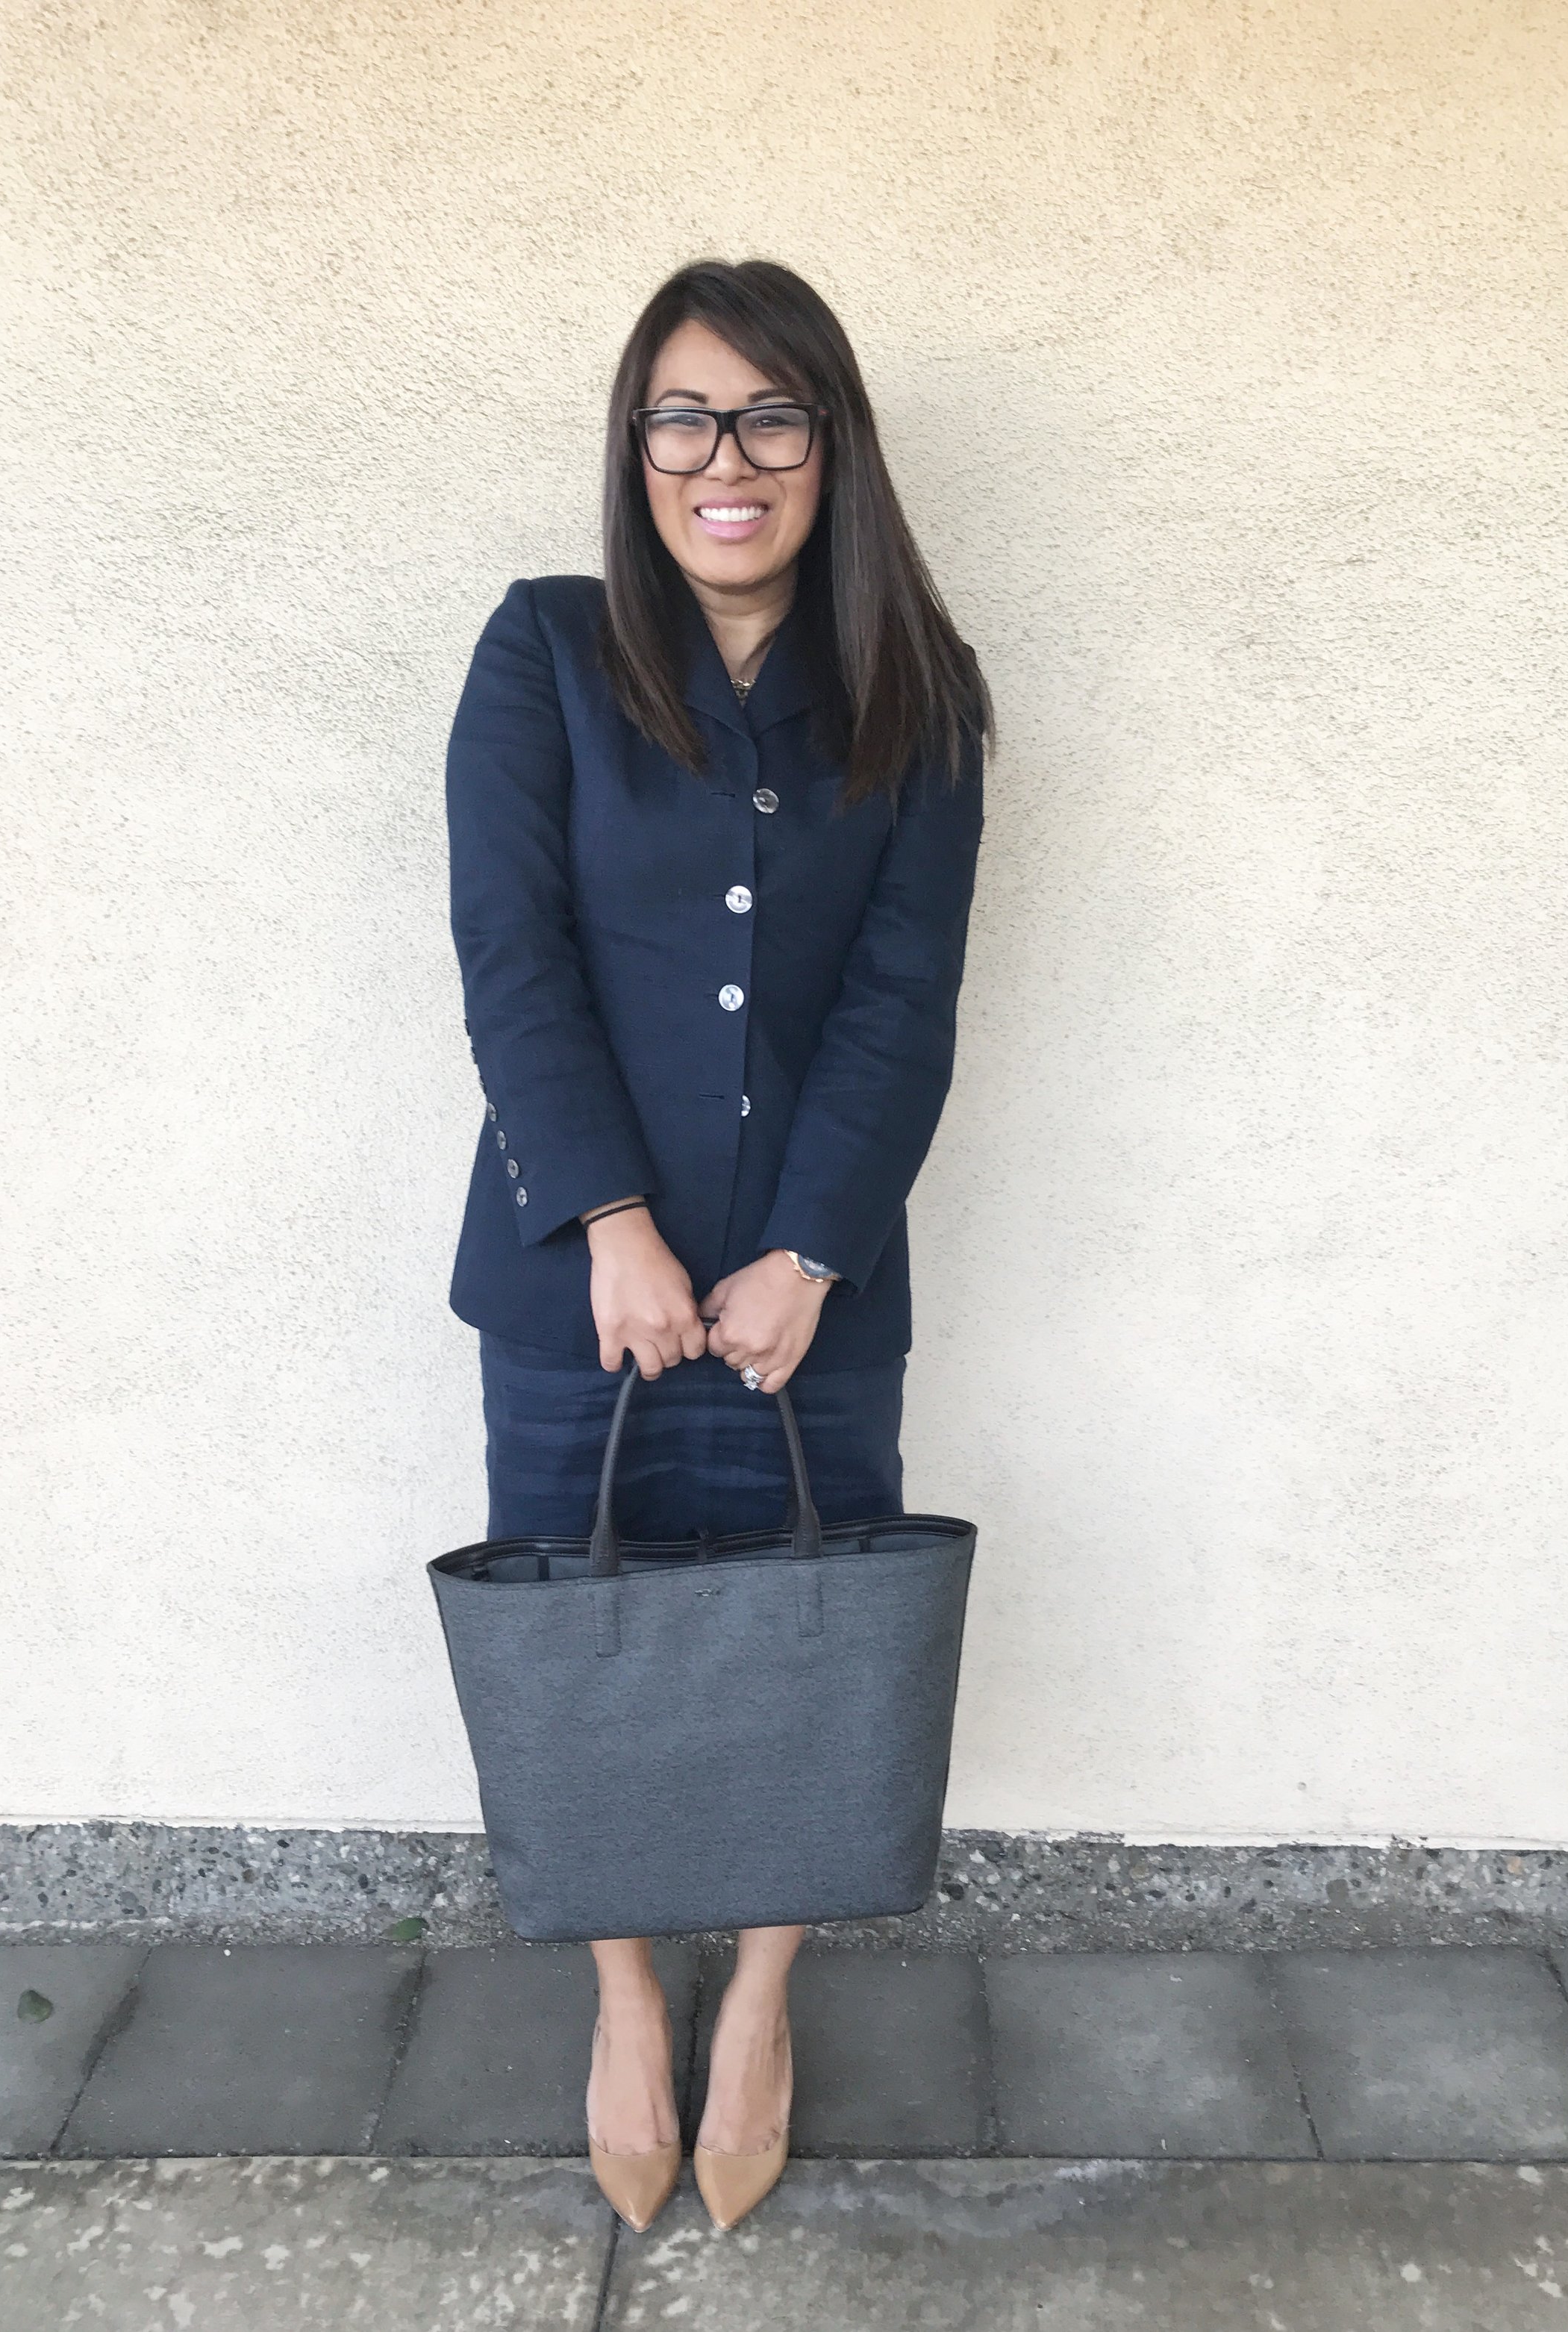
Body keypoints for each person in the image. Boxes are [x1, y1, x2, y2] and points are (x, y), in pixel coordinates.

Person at [443, 258, 988, 2233]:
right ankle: (620, 1999)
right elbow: (511, 955)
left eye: (767, 416)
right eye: (682, 415)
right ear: (636, 448)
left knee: (800, 1651)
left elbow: (901, 1000)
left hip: (807, 1298)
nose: (722, 458)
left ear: (828, 448)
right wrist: (608, 1220)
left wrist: (810, 1254)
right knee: (582, 1642)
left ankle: (754, 1997)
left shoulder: (916, 696)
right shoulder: (544, 654)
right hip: (570, 1282)